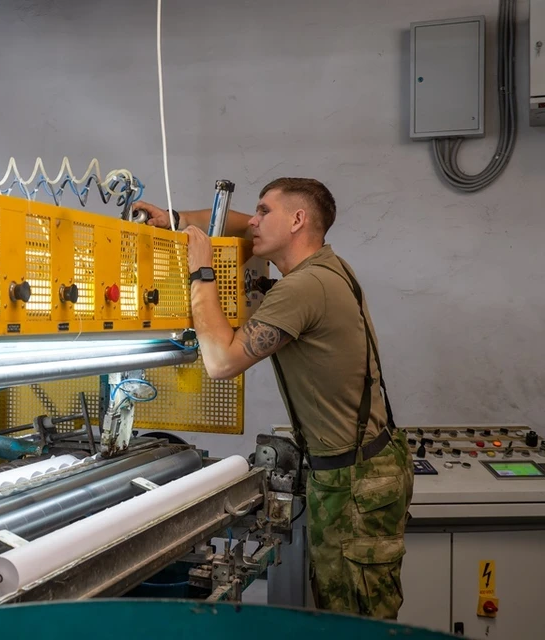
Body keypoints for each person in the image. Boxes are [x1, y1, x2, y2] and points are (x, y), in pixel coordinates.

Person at [135, 177, 414, 620]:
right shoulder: (330, 266)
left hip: (354, 483)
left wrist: (201, 270)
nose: (254, 221)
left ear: (298, 220)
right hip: (362, 465)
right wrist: (175, 220)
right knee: (342, 611)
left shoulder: (302, 288)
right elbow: (240, 223)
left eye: (266, 211)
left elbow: (220, 362)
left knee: (356, 624)